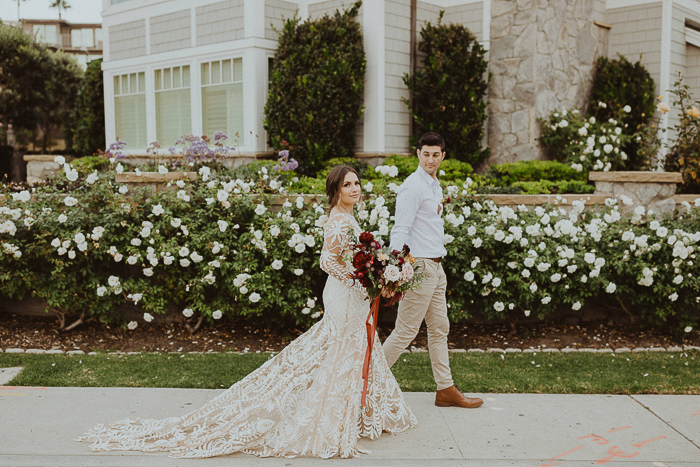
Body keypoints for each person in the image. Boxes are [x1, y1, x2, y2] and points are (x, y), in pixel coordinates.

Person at [76, 165, 417, 459]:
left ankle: (364, 414)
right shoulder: (338, 222)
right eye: (347, 185)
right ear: (335, 190)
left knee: (355, 351)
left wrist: (378, 273)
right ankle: (325, 422)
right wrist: (362, 275)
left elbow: (355, 258)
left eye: (356, 184)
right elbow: (327, 261)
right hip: (343, 296)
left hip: (355, 295)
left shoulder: (350, 218)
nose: (354, 189)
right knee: (342, 352)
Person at [383, 132, 483, 409]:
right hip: (419, 266)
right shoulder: (413, 186)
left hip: (436, 266)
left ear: (443, 156)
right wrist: (396, 266)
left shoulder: (433, 184)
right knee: (405, 331)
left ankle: (445, 389)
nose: (430, 159)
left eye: (435, 154)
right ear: (418, 154)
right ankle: (366, 383)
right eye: (425, 153)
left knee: (440, 328)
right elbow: (400, 228)